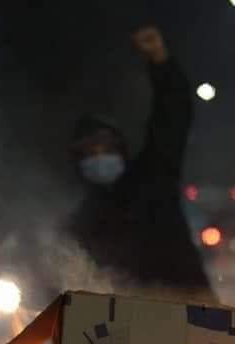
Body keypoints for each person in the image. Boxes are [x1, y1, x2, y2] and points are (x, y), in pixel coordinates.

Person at [64, 26, 214, 302]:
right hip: (126, 326)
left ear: (120, 149)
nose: (99, 155)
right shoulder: (79, 218)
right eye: (89, 150)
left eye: (106, 147)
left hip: (193, 309)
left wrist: (160, 62)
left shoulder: (153, 176)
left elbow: (172, 117)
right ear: (78, 160)